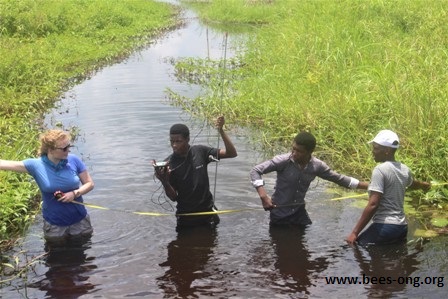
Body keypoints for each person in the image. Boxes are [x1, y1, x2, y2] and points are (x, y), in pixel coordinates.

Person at [250, 131, 368, 227]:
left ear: (309, 152)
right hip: (279, 213)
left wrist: (370, 186)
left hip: (299, 213)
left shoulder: (317, 166)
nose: (294, 153)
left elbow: (340, 179)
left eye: (299, 151)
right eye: (293, 149)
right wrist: (264, 197)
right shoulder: (283, 161)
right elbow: (256, 170)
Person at [0, 129, 94, 245]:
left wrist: (75, 193)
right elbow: (6, 164)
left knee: (84, 254)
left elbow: (90, 184)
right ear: (51, 150)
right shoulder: (35, 165)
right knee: (56, 258)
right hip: (54, 224)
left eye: (69, 146)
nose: (68, 150)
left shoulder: (74, 160)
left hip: (80, 221)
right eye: (64, 148)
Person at [346, 129, 430, 246]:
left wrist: (354, 233)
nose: (373, 152)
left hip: (385, 227)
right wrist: (424, 185)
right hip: (401, 228)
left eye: (376, 148)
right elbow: (413, 184)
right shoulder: (405, 169)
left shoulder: (379, 170)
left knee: (354, 247)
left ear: (387, 150)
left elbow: (373, 204)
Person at [153, 116, 237, 231]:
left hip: (208, 213)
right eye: (172, 141)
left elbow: (231, 153)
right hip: (186, 218)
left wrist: (221, 131)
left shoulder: (200, 151)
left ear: (187, 139)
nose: (174, 145)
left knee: (211, 247)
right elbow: (173, 197)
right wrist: (164, 181)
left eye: (178, 141)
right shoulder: (169, 164)